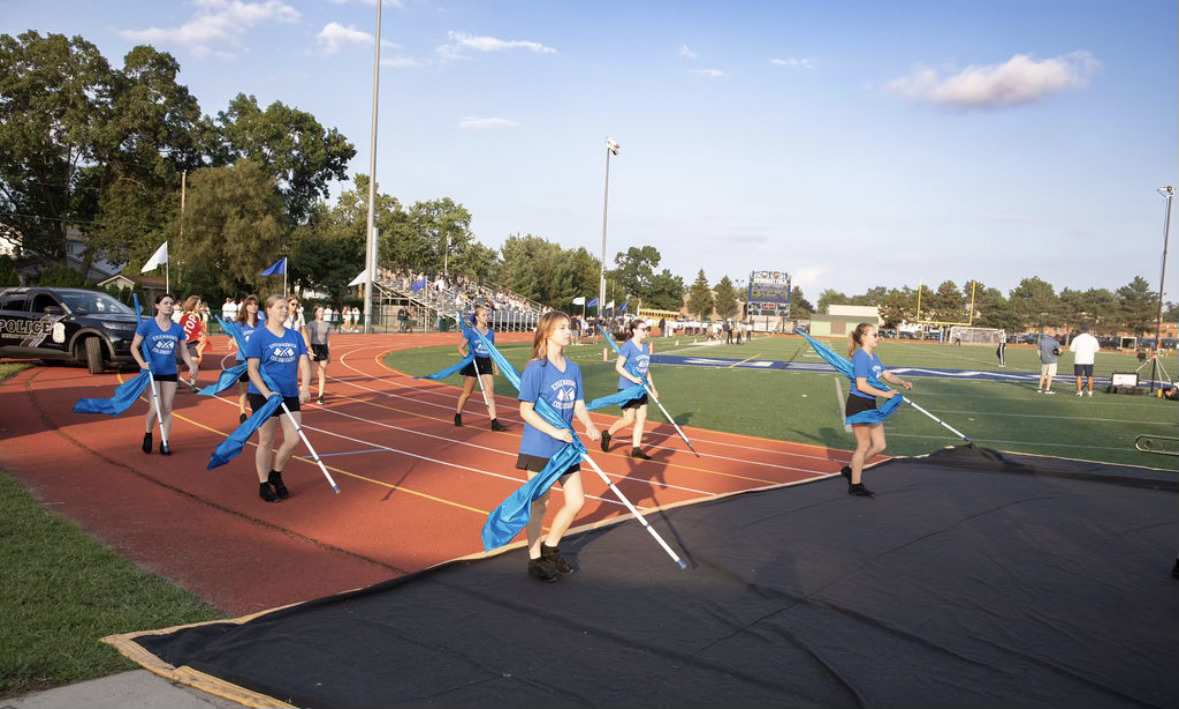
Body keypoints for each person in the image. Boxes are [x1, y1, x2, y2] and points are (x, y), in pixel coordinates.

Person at [517, 311, 600, 582]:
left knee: (577, 501)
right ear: (547, 333)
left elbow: (578, 405)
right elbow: (526, 411)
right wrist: (554, 430)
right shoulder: (535, 368)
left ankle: (550, 546)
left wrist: (588, 424)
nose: (568, 332)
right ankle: (534, 559)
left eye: (569, 327)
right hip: (539, 445)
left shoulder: (573, 368)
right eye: (562, 328)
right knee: (540, 504)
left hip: (566, 447)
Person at [245, 294, 312, 502]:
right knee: (266, 440)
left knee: (293, 439)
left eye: (287, 307)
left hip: (289, 393)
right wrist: (266, 393)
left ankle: (276, 472)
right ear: (269, 310)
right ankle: (264, 483)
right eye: (280, 307)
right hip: (263, 395)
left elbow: (304, 364)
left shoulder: (295, 336)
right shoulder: (259, 336)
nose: (285, 310)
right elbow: (252, 369)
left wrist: (306, 387)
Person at [839, 323, 913, 497]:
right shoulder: (860, 357)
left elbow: (887, 375)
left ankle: (850, 470)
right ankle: (855, 485)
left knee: (880, 445)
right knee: (863, 446)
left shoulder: (873, 357)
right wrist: (885, 394)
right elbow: (861, 385)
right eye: (874, 335)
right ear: (864, 337)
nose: (878, 338)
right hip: (859, 404)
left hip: (870, 404)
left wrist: (901, 382)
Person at [131, 293, 197, 456]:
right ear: (157, 306)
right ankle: (148, 433)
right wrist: (141, 363)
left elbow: (183, 350)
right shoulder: (147, 326)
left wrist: (191, 366)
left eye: (171, 303)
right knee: (155, 408)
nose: (169, 306)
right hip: (151, 373)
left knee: (167, 407)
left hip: (169, 371)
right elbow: (134, 347)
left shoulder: (177, 328)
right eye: (166, 303)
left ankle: (165, 441)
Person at [601, 318, 659, 459]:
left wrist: (653, 387)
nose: (646, 332)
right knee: (628, 420)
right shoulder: (628, 346)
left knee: (642, 417)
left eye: (647, 329)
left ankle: (636, 448)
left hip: (641, 388)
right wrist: (633, 379)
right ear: (634, 330)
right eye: (643, 329)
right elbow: (618, 367)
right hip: (627, 388)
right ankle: (607, 434)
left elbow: (645, 369)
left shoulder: (645, 347)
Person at [455, 305, 506, 431]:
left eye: (487, 315)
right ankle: (458, 414)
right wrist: (467, 356)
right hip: (473, 362)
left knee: (489, 393)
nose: (486, 317)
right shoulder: (470, 332)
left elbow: (492, 351)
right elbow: (460, 348)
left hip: (486, 363)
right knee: (467, 394)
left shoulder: (490, 334)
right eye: (484, 315)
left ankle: (494, 422)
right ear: (477, 317)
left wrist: (495, 366)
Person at [232, 294, 262, 423]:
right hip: (242, 359)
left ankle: (257, 410)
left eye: (255, 304)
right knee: (243, 386)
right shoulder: (240, 324)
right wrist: (243, 346)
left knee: (258, 385)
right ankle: (242, 412)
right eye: (250, 304)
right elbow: (234, 341)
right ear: (246, 306)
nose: (253, 307)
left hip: (258, 359)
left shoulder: (261, 324)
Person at [176, 295, 206, 389]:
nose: (200, 306)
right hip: (181, 343)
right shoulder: (180, 315)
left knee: (195, 361)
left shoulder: (199, 315)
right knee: (178, 365)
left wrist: (201, 335)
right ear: (193, 304)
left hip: (193, 343)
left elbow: (197, 329)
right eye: (198, 304)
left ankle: (193, 384)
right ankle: (176, 380)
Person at [308, 305, 332, 405]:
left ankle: (320, 396)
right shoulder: (311, 324)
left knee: (322, 373)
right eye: (320, 311)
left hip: (323, 348)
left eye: (322, 311)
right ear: (315, 313)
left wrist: (329, 352)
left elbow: (328, 339)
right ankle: (305, 387)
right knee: (312, 374)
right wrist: (309, 351)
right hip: (314, 348)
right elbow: (308, 338)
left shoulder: (327, 324)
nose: (322, 313)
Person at [1069, 325, 1100, 397]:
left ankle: (1079, 392)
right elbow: (1097, 349)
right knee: (1090, 376)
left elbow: (1072, 349)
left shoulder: (1076, 339)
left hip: (1079, 359)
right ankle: (1090, 392)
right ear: (1088, 331)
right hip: (1089, 360)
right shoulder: (1093, 339)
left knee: (1078, 376)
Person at [1036, 329, 1061, 394]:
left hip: (1044, 360)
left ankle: (1039, 388)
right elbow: (1060, 351)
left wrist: (1041, 358)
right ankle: (1047, 389)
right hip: (1052, 360)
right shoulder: (1055, 342)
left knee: (1043, 374)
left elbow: (1038, 351)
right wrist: (1059, 353)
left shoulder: (1041, 341)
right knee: (1050, 375)